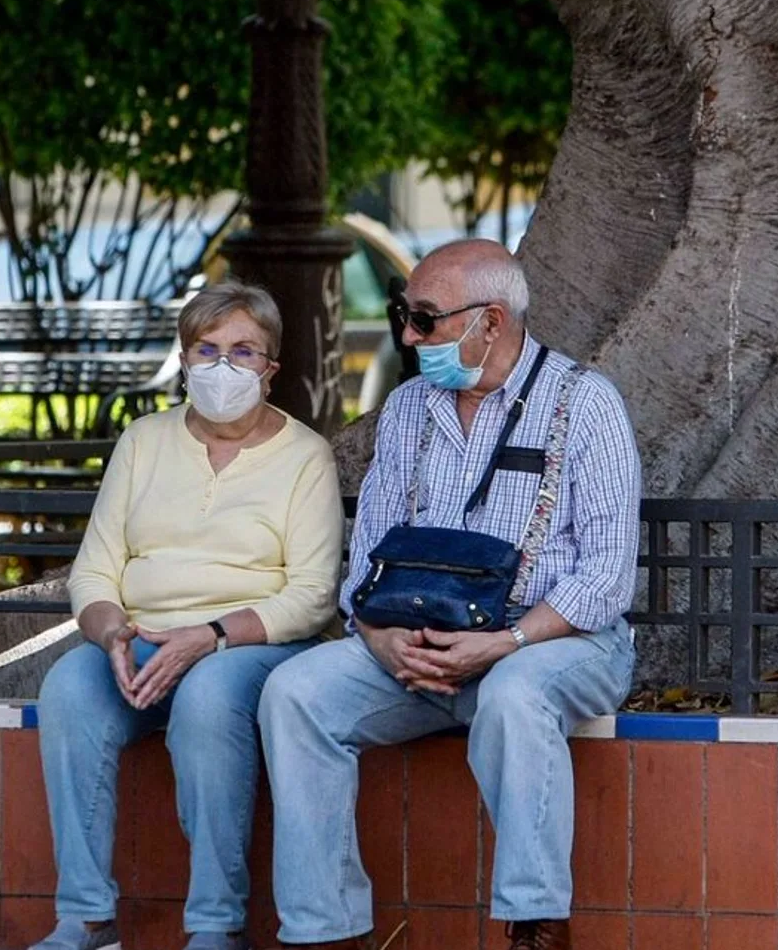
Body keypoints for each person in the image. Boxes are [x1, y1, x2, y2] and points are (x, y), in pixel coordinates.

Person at [258, 240, 642, 950]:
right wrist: (377, 636)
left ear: (490, 322)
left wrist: (503, 643)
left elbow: (608, 576)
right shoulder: (408, 409)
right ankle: (326, 931)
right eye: (405, 314)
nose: (408, 334)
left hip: (556, 641)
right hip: (417, 646)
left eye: (425, 319)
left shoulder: (583, 404)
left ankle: (535, 926)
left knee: (514, 694)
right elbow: (368, 556)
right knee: (296, 694)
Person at [32, 283, 345, 950]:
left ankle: (214, 924)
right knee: (67, 688)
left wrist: (210, 635)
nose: (222, 366)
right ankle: (86, 916)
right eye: (206, 349)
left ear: (270, 369)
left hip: (249, 646)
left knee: (206, 694)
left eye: (242, 351)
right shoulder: (143, 441)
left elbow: (315, 594)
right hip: (140, 637)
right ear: (184, 357)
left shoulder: (304, 456)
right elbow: (94, 568)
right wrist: (110, 630)